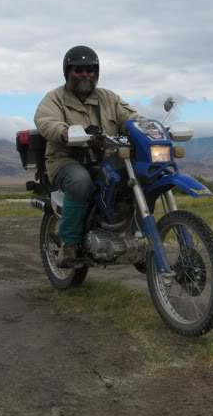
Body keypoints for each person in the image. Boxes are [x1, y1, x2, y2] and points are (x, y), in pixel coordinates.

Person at [34, 45, 137, 266]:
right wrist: (64, 132)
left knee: (136, 177)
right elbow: (45, 121)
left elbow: (130, 117)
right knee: (81, 182)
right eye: (78, 70)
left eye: (90, 70)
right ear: (67, 72)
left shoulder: (109, 98)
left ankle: (137, 236)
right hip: (65, 160)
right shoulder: (54, 98)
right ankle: (69, 245)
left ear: (97, 73)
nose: (85, 74)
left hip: (104, 159)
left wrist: (145, 127)